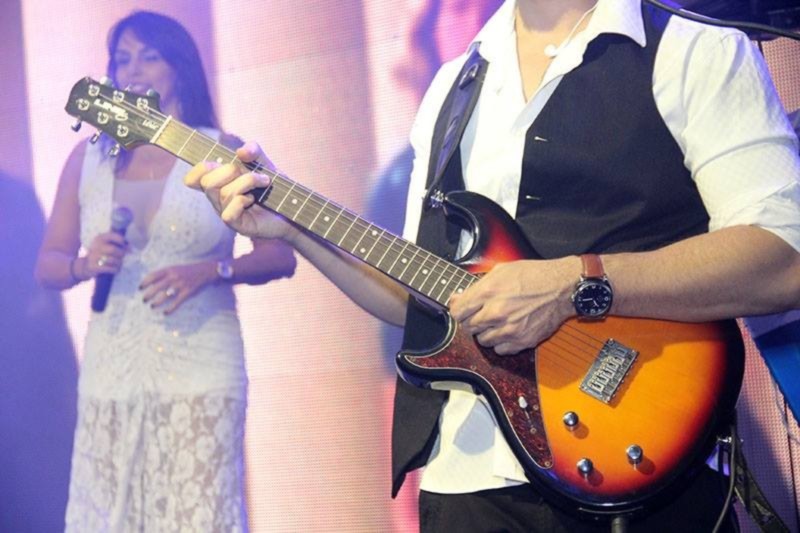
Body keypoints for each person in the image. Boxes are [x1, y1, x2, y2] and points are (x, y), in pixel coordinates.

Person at [186, 0, 800, 530]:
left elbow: (784, 260)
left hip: (637, 470)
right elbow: (417, 298)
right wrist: (290, 228)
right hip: (467, 478)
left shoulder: (696, 51)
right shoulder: (453, 86)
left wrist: (573, 285)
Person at [35, 11, 296, 532]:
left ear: (179, 68)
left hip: (201, 359)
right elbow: (48, 265)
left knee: (198, 512)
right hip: (111, 365)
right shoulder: (87, 159)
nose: (134, 69)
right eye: (122, 59)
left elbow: (280, 255)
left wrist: (211, 270)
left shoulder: (221, 149)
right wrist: (84, 263)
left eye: (149, 56)